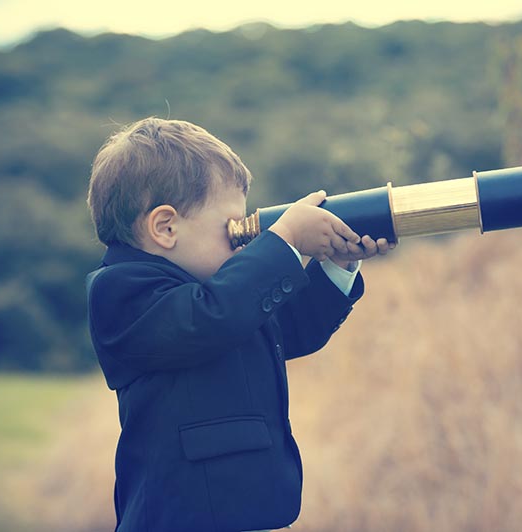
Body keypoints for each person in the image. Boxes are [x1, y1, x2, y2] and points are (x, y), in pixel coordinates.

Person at [85, 117, 393, 532]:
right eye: (233, 228)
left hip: (255, 514)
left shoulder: (223, 298)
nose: (243, 240)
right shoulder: (121, 293)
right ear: (166, 227)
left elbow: (286, 328)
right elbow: (211, 318)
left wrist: (339, 264)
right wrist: (283, 241)